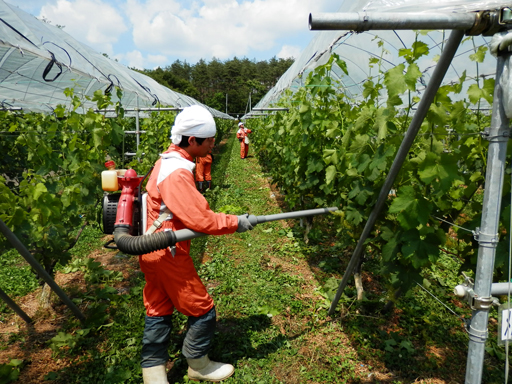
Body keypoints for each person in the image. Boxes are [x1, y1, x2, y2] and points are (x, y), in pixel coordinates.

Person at [140, 105, 254, 383]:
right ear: (192, 141)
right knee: (203, 310)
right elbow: (200, 220)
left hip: (150, 250)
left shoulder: (165, 160)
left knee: (158, 308)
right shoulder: (177, 172)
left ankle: (153, 373)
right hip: (168, 251)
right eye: (210, 141)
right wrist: (236, 222)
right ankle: (198, 364)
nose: (213, 145)